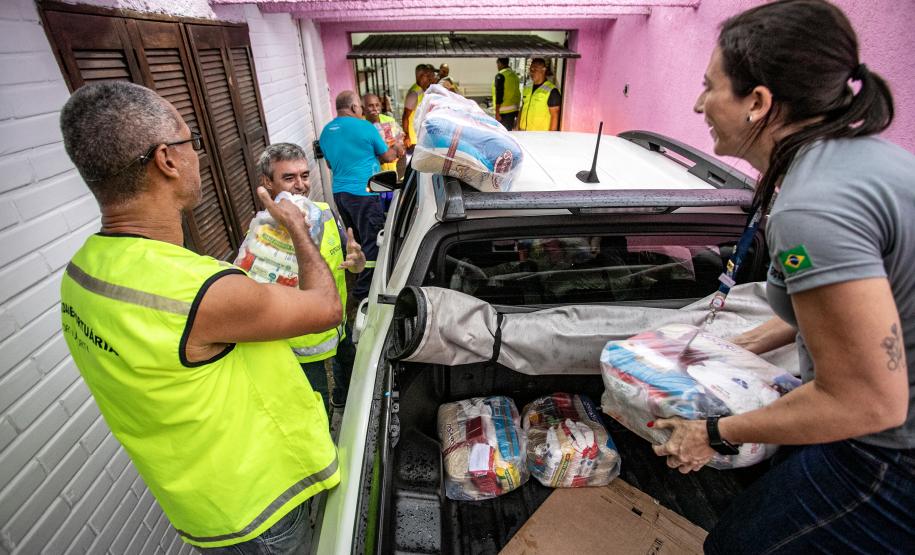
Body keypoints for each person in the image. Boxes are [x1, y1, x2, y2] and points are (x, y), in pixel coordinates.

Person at [650, 1, 915, 553]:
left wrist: (713, 433)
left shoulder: (812, 207)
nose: (698, 103)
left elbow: (867, 401)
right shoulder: (859, 159)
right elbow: (859, 310)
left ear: (758, 102)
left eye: (709, 86)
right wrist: (744, 345)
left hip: (890, 456)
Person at [58, 82, 342, 552]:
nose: (199, 158)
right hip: (263, 506)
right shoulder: (198, 290)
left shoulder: (81, 274)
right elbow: (327, 308)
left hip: (203, 508)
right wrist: (297, 227)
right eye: (192, 142)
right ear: (167, 160)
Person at [254, 143, 364, 414]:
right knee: (316, 409)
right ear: (268, 182)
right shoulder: (262, 232)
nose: (300, 185)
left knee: (351, 380)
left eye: (304, 175)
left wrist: (357, 263)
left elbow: (349, 264)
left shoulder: (325, 212)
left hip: (338, 327)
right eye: (288, 178)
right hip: (301, 344)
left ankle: (344, 404)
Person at [319, 90, 402, 302]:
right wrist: (398, 148)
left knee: (354, 239)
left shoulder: (326, 132)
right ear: (355, 107)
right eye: (361, 107)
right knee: (372, 240)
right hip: (364, 193)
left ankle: (358, 276)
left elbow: (330, 164)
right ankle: (364, 292)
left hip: (340, 194)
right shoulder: (365, 127)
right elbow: (387, 157)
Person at [363, 93, 404, 174]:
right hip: (373, 173)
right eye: (370, 106)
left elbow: (400, 143)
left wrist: (399, 144)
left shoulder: (389, 120)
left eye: (377, 105)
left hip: (392, 170)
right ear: (363, 108)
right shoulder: (361, 126)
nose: (375, 109)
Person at [519, 58, 561, 131]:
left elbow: (554, 116)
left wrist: (552, 136)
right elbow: (522, 108)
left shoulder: (552, 91)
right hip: (523, 132)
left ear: (543, 70)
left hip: (539, 135)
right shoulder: (527, 88)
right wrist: (517, 126)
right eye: (530, 70)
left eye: (535, 69)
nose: (531, 72)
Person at [402, 63, 435, 152]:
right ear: (420, 76)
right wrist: (407, 136)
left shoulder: (422, 91)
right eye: (427, 76)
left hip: (419, 137)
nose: (429, 79)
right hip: (413, 140)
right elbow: (405, 116)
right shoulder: (413, 93)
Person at [492, 57, 521, 131]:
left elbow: (499, 94)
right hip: (513, 111)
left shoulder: (500, 76)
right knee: (509, 133)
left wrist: (497, 113)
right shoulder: (514, 75)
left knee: (503, 133)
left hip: (503, 113)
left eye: (497, 64)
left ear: (499, 63)